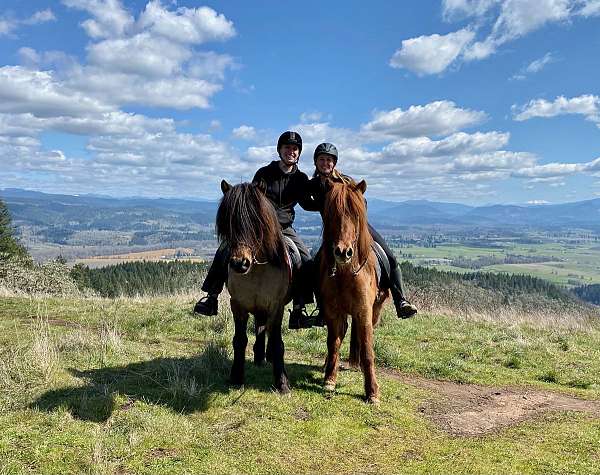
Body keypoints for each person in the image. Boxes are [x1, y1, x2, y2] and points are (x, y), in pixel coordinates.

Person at [194, 131, 318, 329]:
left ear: (299, 153)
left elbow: (306, 203)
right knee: (225, 249)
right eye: (287, 147)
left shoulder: (301, 179)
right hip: (260, 228)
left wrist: (326, 203)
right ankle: (211, 296)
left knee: (306, 260)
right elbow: (250, 201)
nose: (291, 152)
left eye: (295, 149)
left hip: (284, 229)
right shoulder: (264, 173)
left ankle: (299, 309)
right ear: (279, 150)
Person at [304, 142, 418, 319]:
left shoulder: (345, 181)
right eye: (321, 159)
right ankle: (322, 308)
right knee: (315, 265)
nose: (325, 163)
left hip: (358, 227)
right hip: (334, 232)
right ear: (315, 162)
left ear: (334, 163)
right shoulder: (313, 185)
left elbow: (362, 202)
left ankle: (400, 301)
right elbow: (305, 204)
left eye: (329, 160)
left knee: (390, 258)